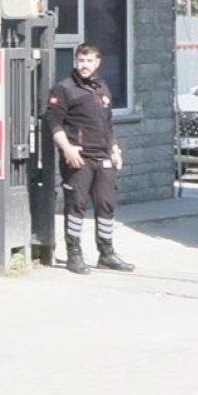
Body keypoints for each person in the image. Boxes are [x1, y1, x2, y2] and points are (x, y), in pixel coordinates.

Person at [46, 42, 134, 275]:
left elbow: (107, 125)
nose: (84, 66)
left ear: (97, 62)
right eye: (80, 61)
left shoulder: (102, 88)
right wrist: (67, 149)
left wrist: (114, 149)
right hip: (78, 158)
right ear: (76, 61)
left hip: (103, 157)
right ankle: (74, 254)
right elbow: (53, 122)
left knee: (106, 204)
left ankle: (106, 253)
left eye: (88, 61)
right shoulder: (64, 89)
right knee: (76, 206)